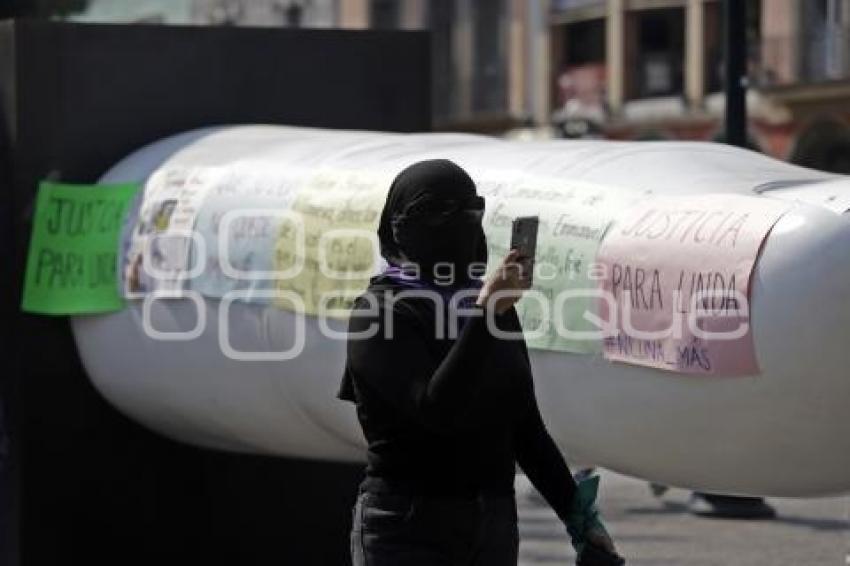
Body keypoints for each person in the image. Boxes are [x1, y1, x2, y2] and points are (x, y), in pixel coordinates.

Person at [337, 159, 618, 565]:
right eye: (436, 212)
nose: (457, 226)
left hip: (491, 526)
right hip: (407, 528)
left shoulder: (491, 305)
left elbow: (525, 427)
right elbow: (436, 410)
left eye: (470, 210)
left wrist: (579, 519)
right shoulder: (380, 312)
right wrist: (486, 313)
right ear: (399, 226)